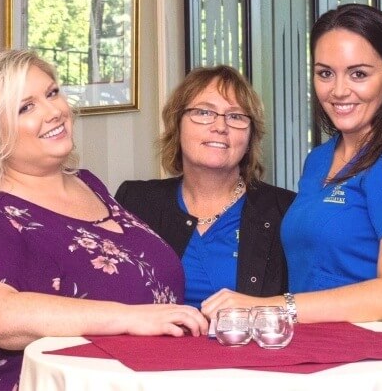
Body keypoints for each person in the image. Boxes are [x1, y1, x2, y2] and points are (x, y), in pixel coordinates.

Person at [0, 49, 208, 390]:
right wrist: (131, 318)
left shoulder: (88, 183)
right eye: (26, 107)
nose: (54, 111)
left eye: (52, 93)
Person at [278, 4, 382, 325]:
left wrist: (274, 308)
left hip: (373, 357)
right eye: (325, 73)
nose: (339, 91)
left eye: (359, 74)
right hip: (311, 349)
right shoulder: (318, 160)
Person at [115, 65, 296, 316]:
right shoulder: (134, 202)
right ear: (177, 126)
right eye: (203, 112)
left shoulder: (285, 211)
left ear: (250, 138)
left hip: (247, 352)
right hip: (153, 353)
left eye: (236, 116)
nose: (220, 126)